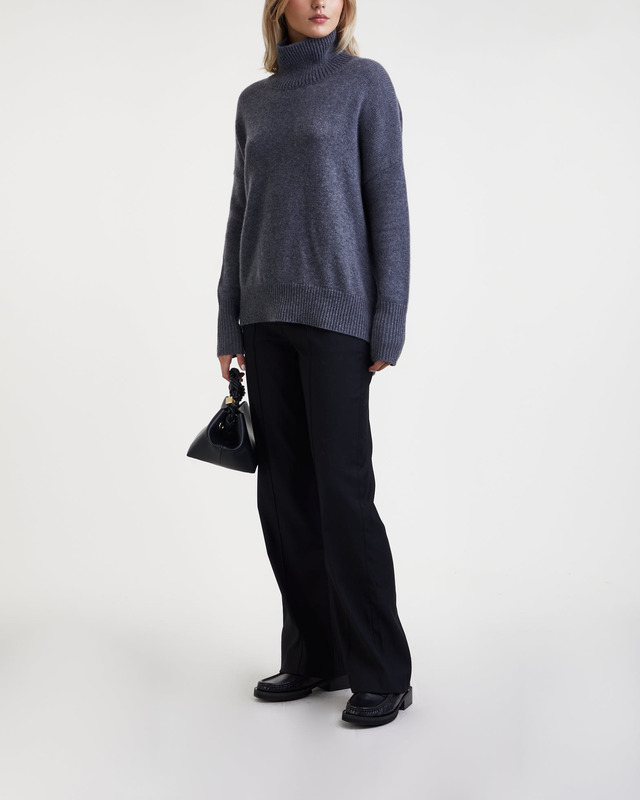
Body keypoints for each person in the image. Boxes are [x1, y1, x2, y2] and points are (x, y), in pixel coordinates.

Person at [216, 0, 413, 728]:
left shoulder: (365, 83)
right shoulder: (255, 102)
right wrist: (228, 318)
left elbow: (389, 204)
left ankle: (383, 672)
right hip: (264, 317)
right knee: (284, 498)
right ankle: (314, 655)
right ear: (279, 8)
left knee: (343, 495)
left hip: (337, 319)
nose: (320, 2)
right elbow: (241, 212)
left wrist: (388, 319)